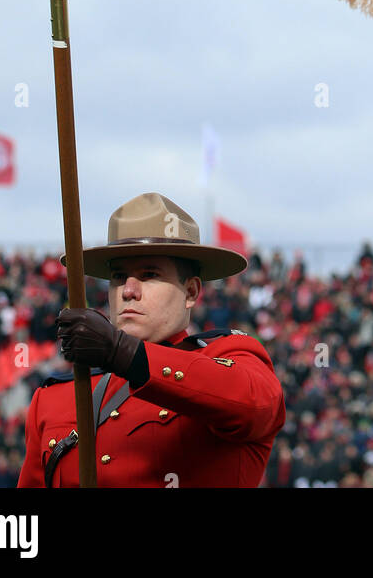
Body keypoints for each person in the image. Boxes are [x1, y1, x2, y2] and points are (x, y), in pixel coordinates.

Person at [17, 192, 285, 488]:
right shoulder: (55, 398)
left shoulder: (232, 357)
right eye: (118, 277)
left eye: (149, 274)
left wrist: (121, 352)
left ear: (191, 292)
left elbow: (253, 405)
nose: (128, 290)